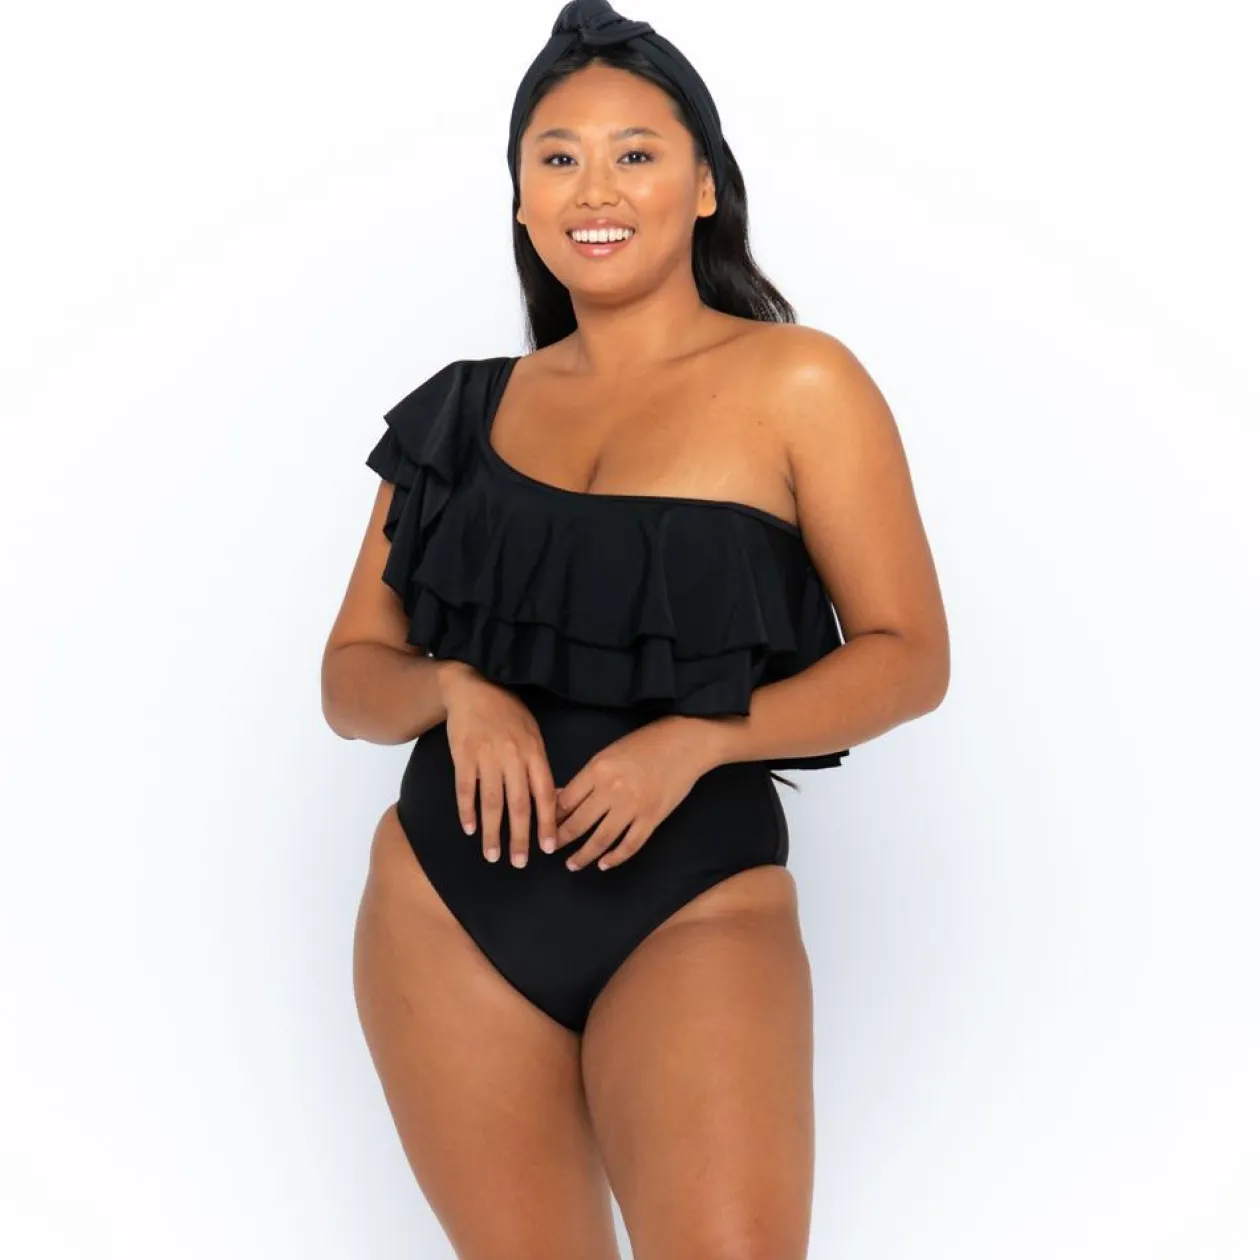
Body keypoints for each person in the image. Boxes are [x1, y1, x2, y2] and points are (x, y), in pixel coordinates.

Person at [321, 2, 949, 1256]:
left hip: (694, 899)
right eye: (556, 157)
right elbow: (351, 679)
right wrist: (456, 690)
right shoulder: (456, 415)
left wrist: (701, 738)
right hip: (445, 906)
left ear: (704, 186)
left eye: (636, 153)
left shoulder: (801, 382)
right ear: (520, 198)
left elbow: (909, 656)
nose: (594, 189)